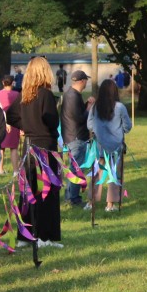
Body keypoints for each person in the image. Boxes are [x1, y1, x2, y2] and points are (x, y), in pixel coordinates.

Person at [5, 56, 62, 249]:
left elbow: (10, 115)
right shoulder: (45, 95)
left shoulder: (24, 95)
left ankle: (25, 236)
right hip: (45, 145)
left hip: (29, 146)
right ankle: (45, 236)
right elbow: (52, 120)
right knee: (47, 190)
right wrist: (37, 126)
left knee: (28, 191)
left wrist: (26, 126)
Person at [87, 78, 132, 212]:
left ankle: (91, 202)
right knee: (114, 175)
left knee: (97, 173)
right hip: (116, 147)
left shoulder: (95, 107)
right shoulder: (120, 107)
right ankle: (110, 204)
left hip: (99, 147)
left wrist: (98, 130)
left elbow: (89, 125)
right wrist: (120, 130)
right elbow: (128, 126)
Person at [60, 70, 94, 207]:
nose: (86, 83)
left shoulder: (71, 94)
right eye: (86, 80)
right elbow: (79, 118)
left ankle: (70, 196)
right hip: (76, 138)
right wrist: (89, 107)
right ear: (82, 81)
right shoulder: (73, 96)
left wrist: (86, 104)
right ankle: (73, 198)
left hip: (71, 136)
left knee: (74, 168)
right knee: (76, 169)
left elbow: (77, 113)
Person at [0, 76, 21, 176]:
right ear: (13, 83)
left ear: (3, 82)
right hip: (14, 122)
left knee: (0, 148)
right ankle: (16, 171)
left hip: (1, 122)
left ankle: (0, 169)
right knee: (13, 148)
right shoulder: (17, 94)